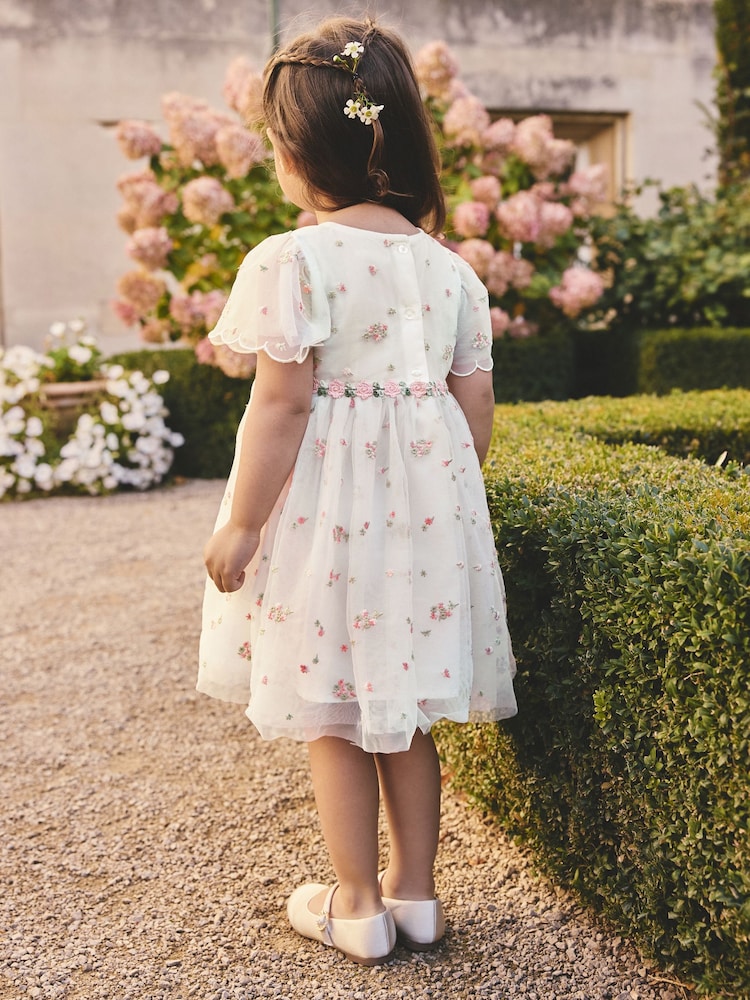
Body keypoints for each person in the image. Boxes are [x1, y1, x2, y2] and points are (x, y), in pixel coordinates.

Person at [198, 14, 518, 966]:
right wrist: (449, 511)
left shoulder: (291, 260)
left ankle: (355, 904)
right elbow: (474, 410)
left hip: (324, 525)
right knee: (404, 709)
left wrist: (244, 524)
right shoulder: (452, 271)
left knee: (333, 711)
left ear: (298, 151)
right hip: (421, 525)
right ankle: (419, 898)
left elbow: (281, 408)